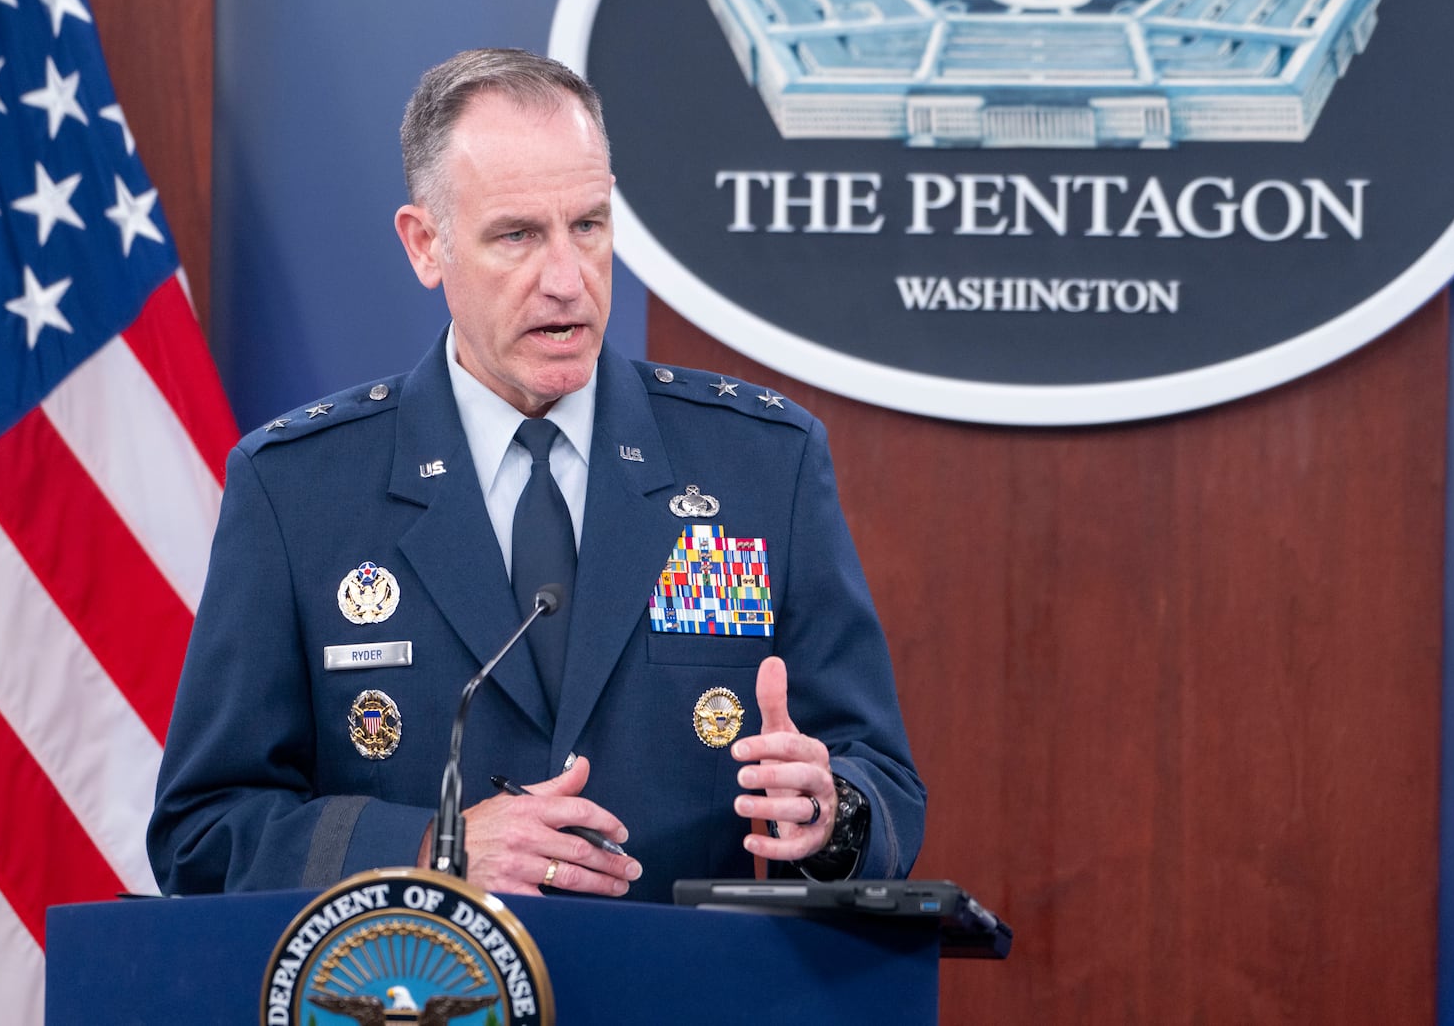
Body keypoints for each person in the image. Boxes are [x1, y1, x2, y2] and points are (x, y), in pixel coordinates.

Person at [147, 48, 924, 902]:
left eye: (587, 226)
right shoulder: (296, 489)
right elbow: (204, 832)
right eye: (517, 235)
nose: (566, 280)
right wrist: (428, 850)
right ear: (425, 244)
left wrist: (829, 813)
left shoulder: (762, 465)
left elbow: (882, 786)